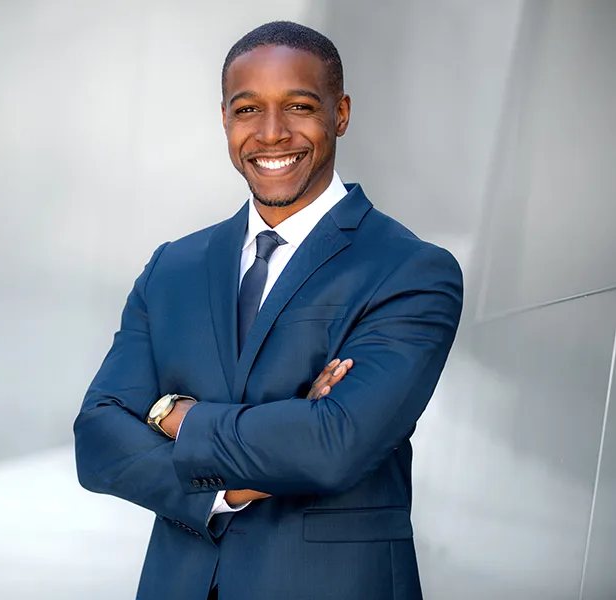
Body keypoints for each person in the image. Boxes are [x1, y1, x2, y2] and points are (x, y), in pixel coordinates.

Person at [73, 20, 463, 600]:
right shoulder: (171, 268)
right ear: (225, 120)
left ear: (341, 113)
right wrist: (232, 484)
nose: (272, 133)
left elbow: (334, 447)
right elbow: (98, 440)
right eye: (248, 109)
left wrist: (173, 416)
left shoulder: (410, 269)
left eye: (299, 106)